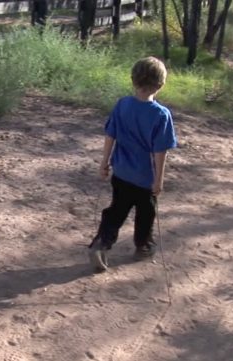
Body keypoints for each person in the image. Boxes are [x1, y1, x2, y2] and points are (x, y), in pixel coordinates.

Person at [89, 56, 177, 272]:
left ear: (133, 80)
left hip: (121, 173)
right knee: (146, 214)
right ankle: (143, 245)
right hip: (145, 179)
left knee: (117, 210)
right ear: (161, 84)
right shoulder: (161, 115)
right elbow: (160, 151)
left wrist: (104, 162)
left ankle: (101, 243)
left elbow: (111, 135)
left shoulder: (123, 105)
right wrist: (158, 180)